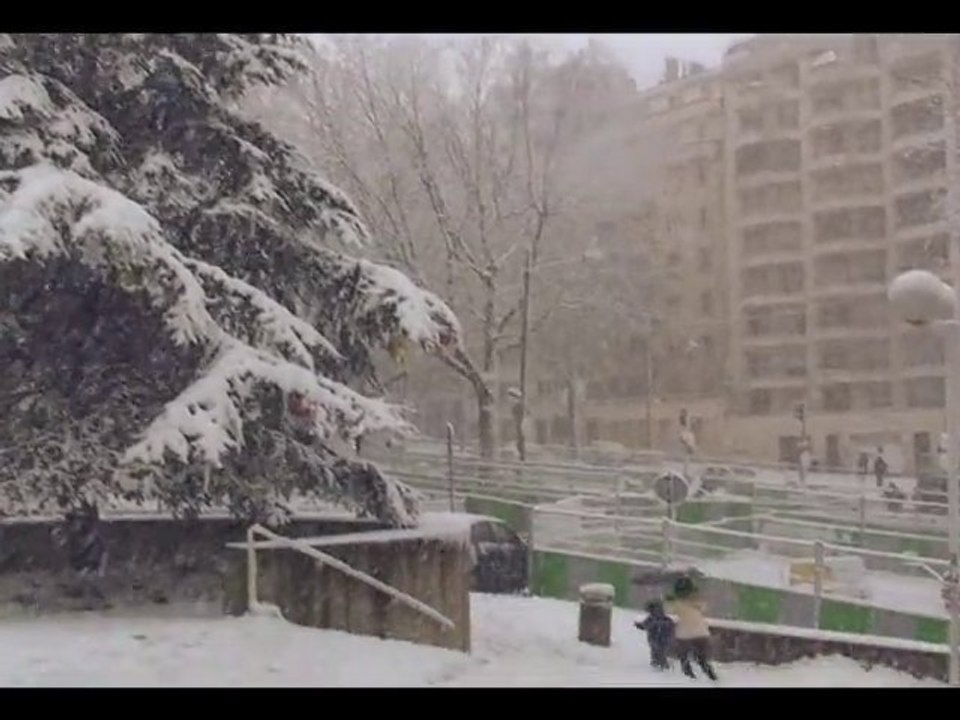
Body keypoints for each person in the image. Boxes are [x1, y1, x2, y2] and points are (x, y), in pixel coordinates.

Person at [665, 576, 718, 681]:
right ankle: (712, 678)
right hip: (701, 633)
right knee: (702, 659)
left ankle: (690, 678)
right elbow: (703, 606)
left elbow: (669, 609)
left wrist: (669, 599)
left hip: (684, 634)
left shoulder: (677, 603)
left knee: (684, 658)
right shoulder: (698, 602)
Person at [634, 599, 675, 670]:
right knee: (658, 649)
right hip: (660, 637)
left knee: (658, 649)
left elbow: (645, 625)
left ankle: (660, 662)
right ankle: (659, 662)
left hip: (660, 637)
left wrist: (640, 625)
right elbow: (645, 625)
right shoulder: (657, 618)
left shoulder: (655, 618)